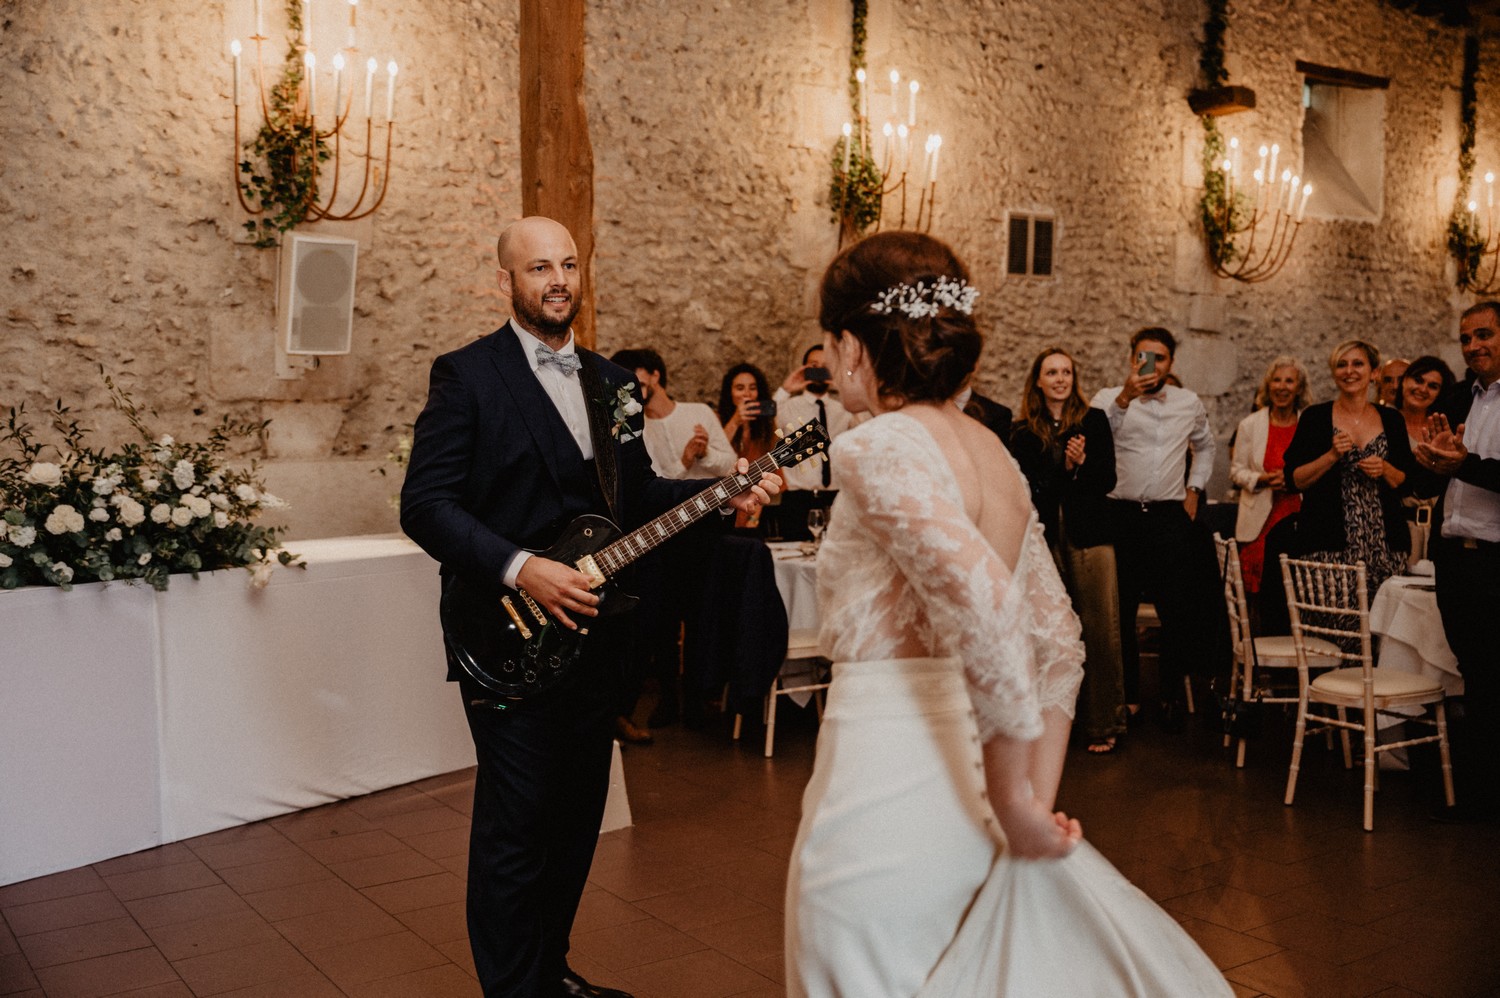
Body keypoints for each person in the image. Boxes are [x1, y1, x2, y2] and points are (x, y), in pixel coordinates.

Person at [784, 231, 1230, 996]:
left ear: (852, 345)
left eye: (829, 347)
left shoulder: (877, 445)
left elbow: (982, 604)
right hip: (975, 797)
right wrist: (1025, 796)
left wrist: (1016, 801)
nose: (828, 364)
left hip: (881, 795)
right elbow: (1058, 642)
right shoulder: (995, 455)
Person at [400, 216, 777, 998]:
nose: (558, 280)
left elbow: (636, 499)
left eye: (569, 264)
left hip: (597, 639)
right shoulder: (466, 376)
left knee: (576, 822)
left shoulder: (612, 383)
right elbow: (425, 505)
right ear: (506, 280)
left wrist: (725, 489)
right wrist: (521, 568)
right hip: (504, 635)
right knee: (516, 829)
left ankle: (550, 973)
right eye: (539, 268)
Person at [1089, 328, 1219, 727]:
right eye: (1144, 357)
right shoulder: (1106, 399)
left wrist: (1195, 488)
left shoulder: (1188, 402)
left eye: (1160, 358)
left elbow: (1207, 446)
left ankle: (1168, 695)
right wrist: (1125, 398)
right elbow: (1095, 440)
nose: (1152, 365)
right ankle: (1127, 697)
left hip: (1168, 517)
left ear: (1171, 363)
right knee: (1121, 610)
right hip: (1121, 515)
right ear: (1132, 359)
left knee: (1176, 610)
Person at [1009, 347, 1125, 754]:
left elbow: (1107, 478)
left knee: (1100, 626)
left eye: (1066, 372)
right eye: (1051, 372)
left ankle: (1102, 722)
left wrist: (1083, 467)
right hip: (1044, 535)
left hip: (1089, 530)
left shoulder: (1092, 420)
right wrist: (1066, 468)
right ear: (1037, 381)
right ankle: (1054, 721)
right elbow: (1030, 487)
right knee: (1053, 631)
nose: (1060, 379)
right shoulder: (1023, 430)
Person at [1417, 301, 1500, 822]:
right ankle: (1479, 787)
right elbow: (1435, 479)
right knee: (1474, 672)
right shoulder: (1455, 396)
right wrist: (1432, 461)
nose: (1473, 347)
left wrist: (1465, 463)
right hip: (1456, 559)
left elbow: (1470, 469)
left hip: (1497, 559)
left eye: (1484, 335)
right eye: (1466, 339)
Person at [1282, 340, 1413, 599]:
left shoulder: (1392, 419)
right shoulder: (1315, 418)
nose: (1349, 371)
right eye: (1341, 365)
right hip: (1327, 548)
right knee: (1335, 632)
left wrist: (1385, 468)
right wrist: (1331, 456)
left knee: (1383, 632)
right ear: (1334, 373)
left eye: (1357, 364)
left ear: (1374, 373)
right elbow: (1293, 480)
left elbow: (1407, 483)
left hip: (1385, 548)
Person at [1229, 356, 1309, 594]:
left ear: (1300, 388)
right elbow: (1236, 472)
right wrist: (1262, 479)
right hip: (1259, 522)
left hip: (1298, 516)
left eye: (1289, 381)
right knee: (1256, 591)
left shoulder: (1308, 424)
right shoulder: (1250, 425)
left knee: (1295, 590)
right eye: (1276, 380)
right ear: (1268, 385)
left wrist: (1293, 480)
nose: (1282, 387)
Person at [609, 348, 737, 481]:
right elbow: (652, 484)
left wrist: (706, 454)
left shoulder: (700, 412)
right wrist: (685, 462)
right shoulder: (638, 430)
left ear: (655, 376)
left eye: (634, 373)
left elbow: (731, 465)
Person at [772, 345, 853, 538]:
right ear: (804, 369)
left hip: (836, 498)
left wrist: (843, 385)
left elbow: (870, 426)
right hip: (797, 500)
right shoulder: (789, 406)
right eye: (813, 366)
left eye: (825, 366)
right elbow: (766, 422)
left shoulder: (844, 408)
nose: (819, 372)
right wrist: (786, 389)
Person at [717, 362, 783, 530]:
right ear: (730, 393)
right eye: (740, 388)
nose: (747, 394)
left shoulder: (767, 427)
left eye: (752, 388)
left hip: (757, 507)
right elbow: (715, 453)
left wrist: (753, 519)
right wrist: (735, 421)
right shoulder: (717, 420)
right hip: (721, 503)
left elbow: (770, 472)